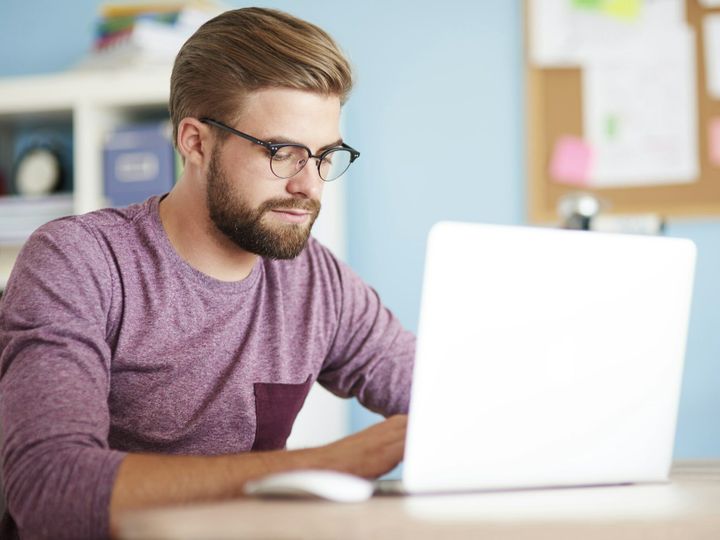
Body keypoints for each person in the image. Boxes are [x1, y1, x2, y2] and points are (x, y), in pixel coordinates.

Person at [0, 8, 415, 540]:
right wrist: (333, 465)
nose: (309, 186)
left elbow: (449, 400)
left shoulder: (317, 283)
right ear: (195, 142)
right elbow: (51, 491)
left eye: (325, 156)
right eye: (283, 153)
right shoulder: (78, 262)